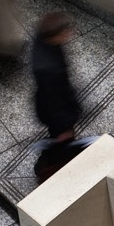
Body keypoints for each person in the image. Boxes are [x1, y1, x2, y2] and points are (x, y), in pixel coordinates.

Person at [30, 11, 84, 177]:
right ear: (54, 35)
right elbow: (54, 100)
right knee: (62, 143)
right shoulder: (49, 70)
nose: (69, 35)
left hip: (53, 107)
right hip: (58, 115)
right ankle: (48, 166)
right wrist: (64, 128)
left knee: (62, 141)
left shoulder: (44, 42)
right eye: (65, 33)